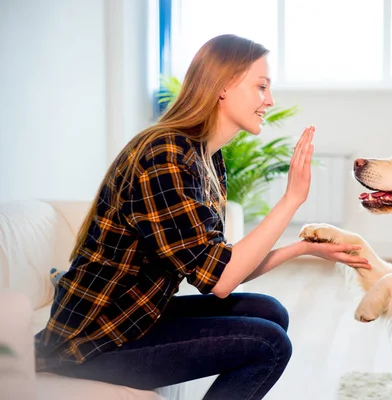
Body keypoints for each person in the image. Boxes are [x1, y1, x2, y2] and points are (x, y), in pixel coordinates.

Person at [34, 34, 371, 399]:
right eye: (261, 86)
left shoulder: (205, 158)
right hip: (93, 341)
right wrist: (291, 199)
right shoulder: (165, 156)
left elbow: (218, 265)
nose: (270, 101)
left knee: (269, 311)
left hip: (136, 319)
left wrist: (301, 248)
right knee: (270, 343)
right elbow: (222, 281)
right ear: (224, 87)